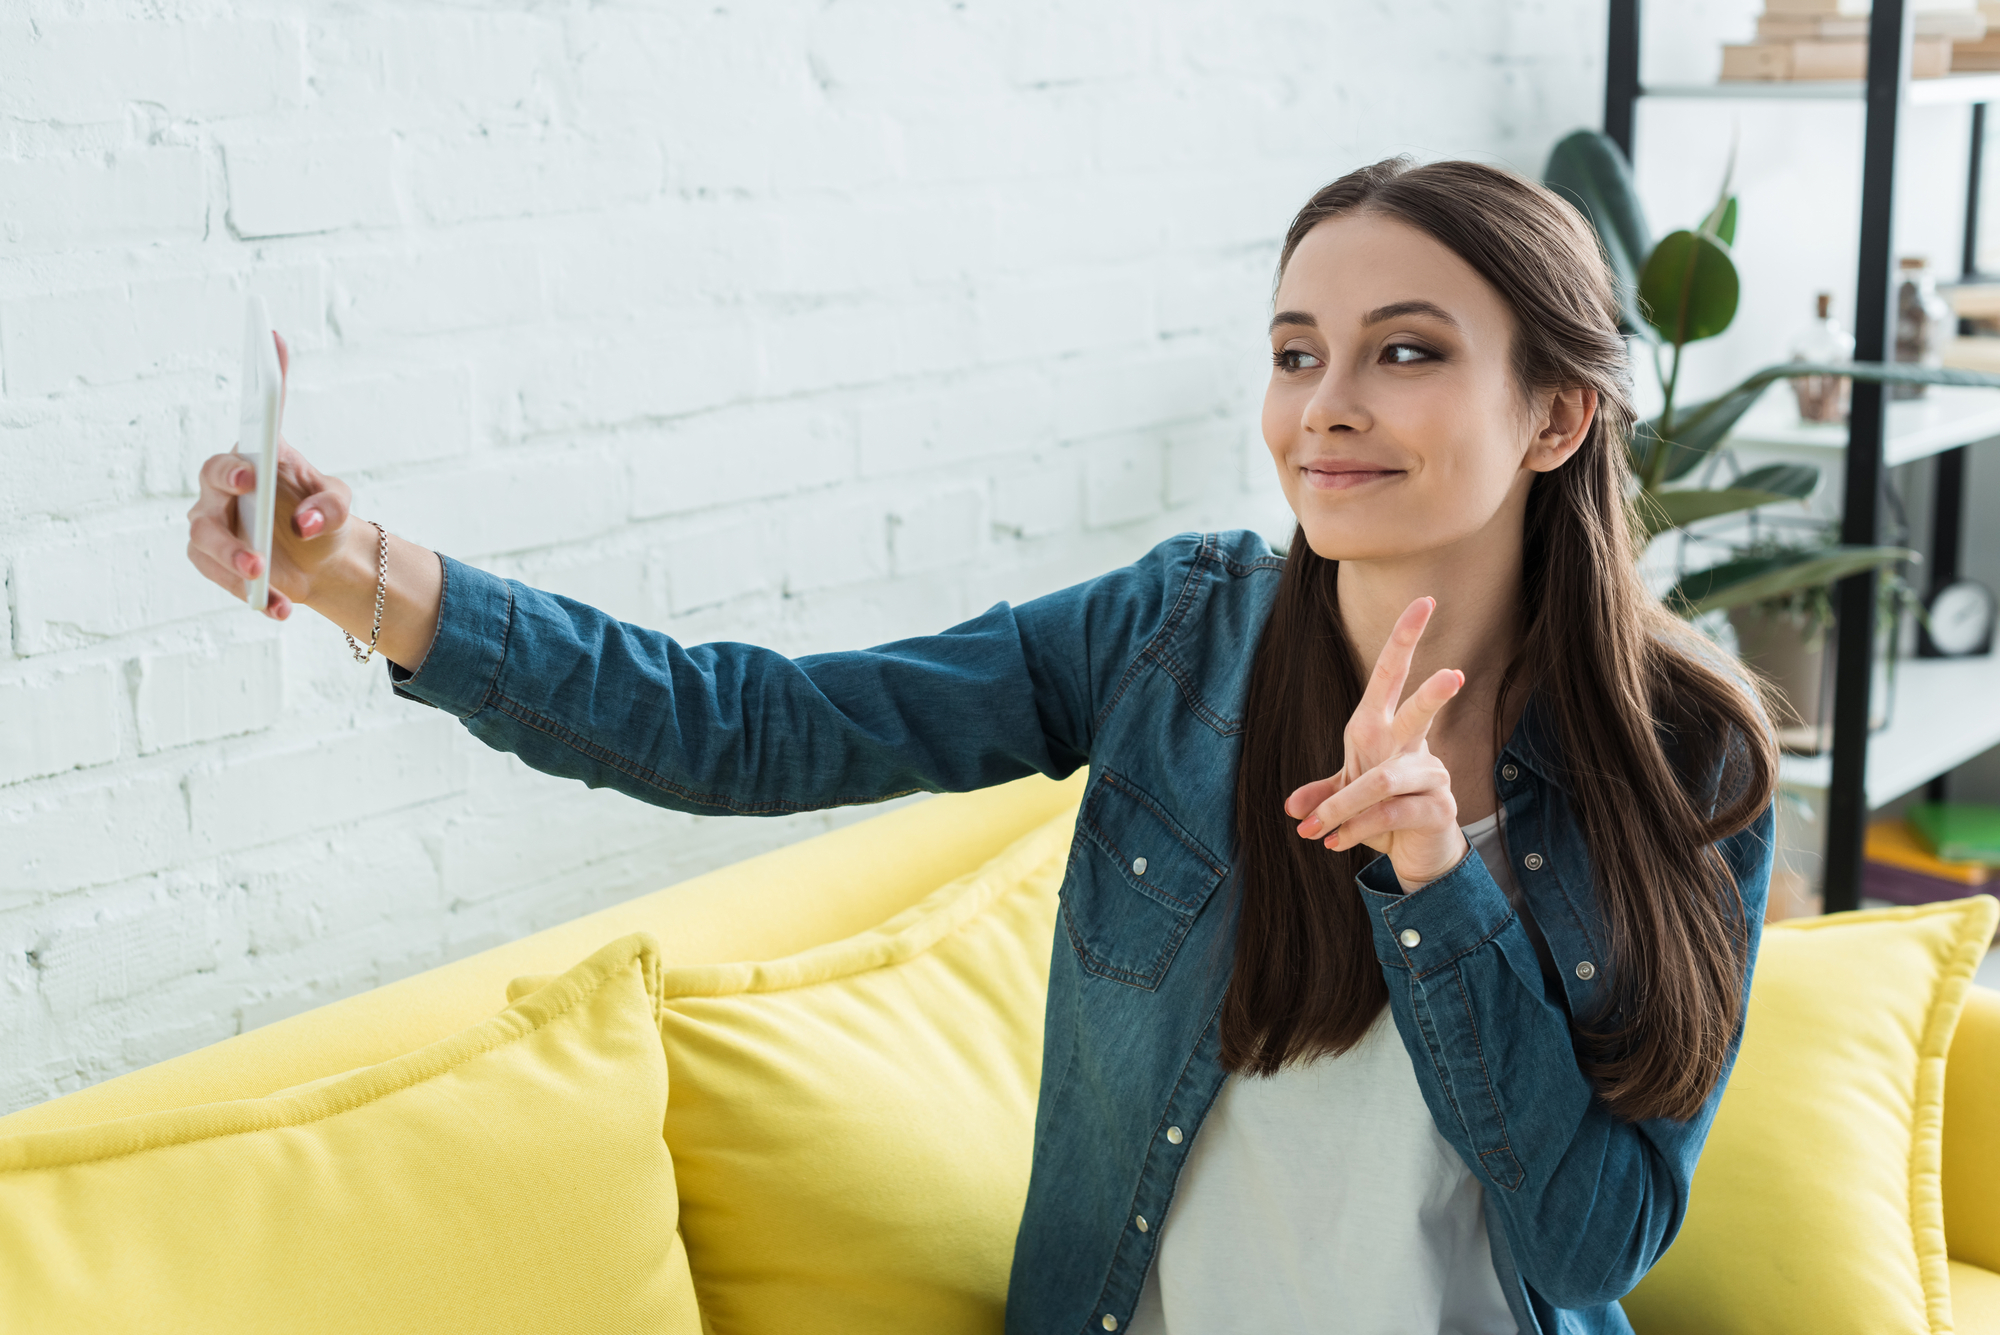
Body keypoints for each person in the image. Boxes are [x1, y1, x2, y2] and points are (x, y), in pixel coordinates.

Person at [184, 156, 1777, 1335]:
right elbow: (753, 728)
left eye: (1406, 352)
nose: (1326, 407)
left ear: (1558, 417)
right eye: (1297, 353)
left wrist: (1436, 882)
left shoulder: (1688, 761)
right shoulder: (1172, 639)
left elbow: (1591, 1247)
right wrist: (367, 581)